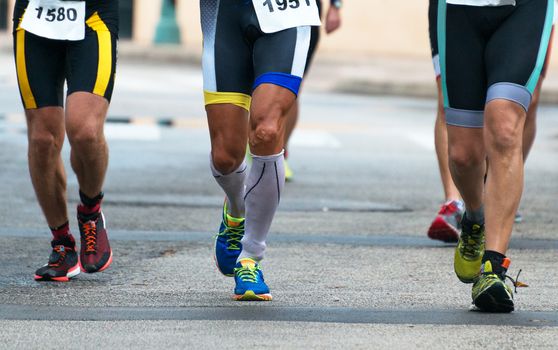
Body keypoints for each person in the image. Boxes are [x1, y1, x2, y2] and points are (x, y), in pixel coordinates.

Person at [437, 0, 553, 312]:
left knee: (505, 127)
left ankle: (494, 268)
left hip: (526, 9)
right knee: (463, 155)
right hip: (459, 9)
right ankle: (475, 217)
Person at [200, 0, 319, 300]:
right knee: (225, 156)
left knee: (267, 130)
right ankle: (236, 212)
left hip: (288, 11)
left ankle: (250, 257)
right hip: (223, 14)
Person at [13, 0, 118, 281]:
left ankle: (90, 211)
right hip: (34, 16)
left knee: (85, 131)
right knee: (42, 139)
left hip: (93, 16)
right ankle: (62, 243)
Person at [283, 0, 343, 181]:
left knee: (291, 88)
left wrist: (335, 6)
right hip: (258, 13)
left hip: (304, 16)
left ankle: (280, 152)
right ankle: (249, 144)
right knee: (254, 84)